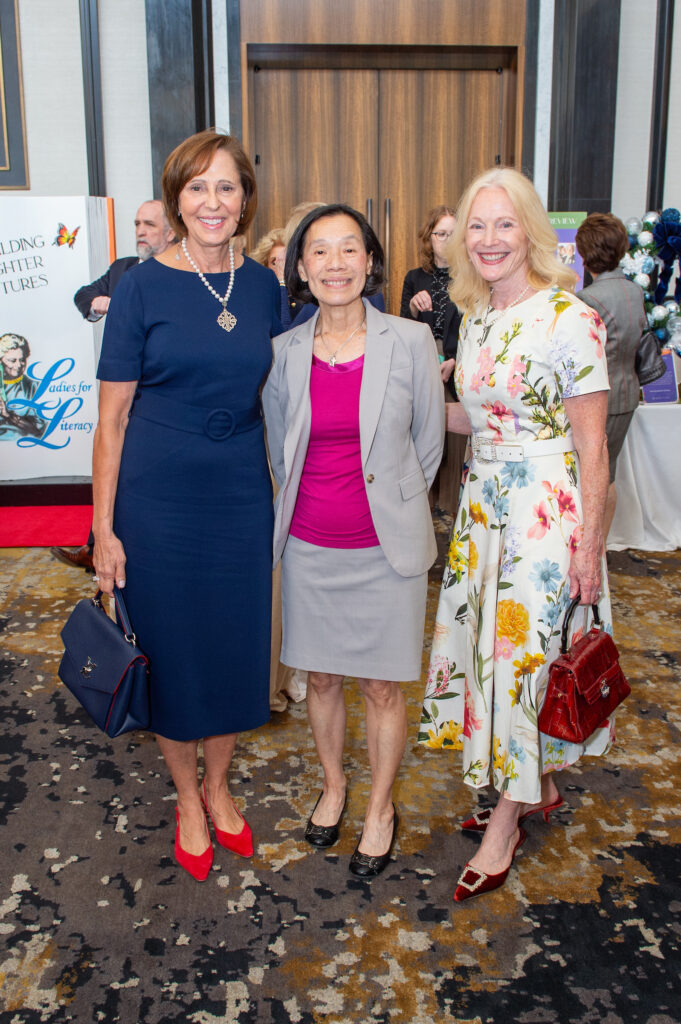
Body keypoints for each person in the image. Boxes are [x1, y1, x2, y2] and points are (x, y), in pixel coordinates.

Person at [418, 168, 613, 902]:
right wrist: (403, 405)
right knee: (488, 656)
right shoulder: (476, 317)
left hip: (544, 517)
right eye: (476, 226)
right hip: (481, 510)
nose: (489, 239)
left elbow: (593, 446)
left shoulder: (570, 317)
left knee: (527, 662)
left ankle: (505, 821)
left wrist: (588, 545)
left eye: (503, 225)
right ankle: (533, 789)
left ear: (529, 231)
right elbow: (483, 415)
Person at [91, 129, 281, 881]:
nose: (212, 201)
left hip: (239, 489)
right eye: (197, 187)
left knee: (233, 644)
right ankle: (187, 798)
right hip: (157, 496)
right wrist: (102, 528)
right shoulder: (140, 286)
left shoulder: (264, 286)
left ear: (244, 201)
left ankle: (220, 782)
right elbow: (109, 420)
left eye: (226, 187)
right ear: (176, 199)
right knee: (170, 650)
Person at [263, 204, 444, 877]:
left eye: (349, 250)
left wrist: (386, 506)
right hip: (309, 545)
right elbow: (279, 449)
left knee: (382, 688)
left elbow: (426, 449)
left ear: (369, 263)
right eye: (319, 251)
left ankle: (381, 808)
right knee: (320, 678)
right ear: (301, 268)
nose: (334, 264)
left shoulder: (409, 341)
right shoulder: (283, 352)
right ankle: (335, 786)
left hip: (385, 552)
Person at [53, 200, 176, 570]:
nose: (140, 230)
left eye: (149, 224)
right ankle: (97, 545)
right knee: (110, 464)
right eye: (137, 223)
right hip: (121, 386)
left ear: (171, 231)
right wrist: (111, 302)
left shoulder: (183, 273)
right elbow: (83, 296)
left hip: (161, 390)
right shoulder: (123, 268)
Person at [575, 213, 648, 539]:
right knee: (609, 474)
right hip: (628, 395)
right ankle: (600, 547)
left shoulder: (587, 300)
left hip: (597, 400)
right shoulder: (635, 292)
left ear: (584, 254)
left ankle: (587, 547)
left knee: (588, 476)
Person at [400, 205, 464, 512]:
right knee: (420, 438)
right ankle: (422, 508)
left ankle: (450, 509)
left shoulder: (471, 277)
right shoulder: (415, 278)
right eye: (441, 234)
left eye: (453, 234)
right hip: (421, 364)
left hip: (458, 364)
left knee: (455, 442)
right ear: (430, 238)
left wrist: (455, 361)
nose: (446, 240)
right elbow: (401, 326)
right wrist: (413, 308)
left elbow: (477, 327)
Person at [251, 226, 300, 329]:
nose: (280, 267)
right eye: (274, 262)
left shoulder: (304, 295)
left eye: (285, 261)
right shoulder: (259, 295)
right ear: (265, 264)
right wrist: (282, 283)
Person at [0, 333, 45, 441]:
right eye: (13, 360)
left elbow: (39, 430)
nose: (19, 365)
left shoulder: (33, 387)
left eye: (22, 360)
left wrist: (8, 415)